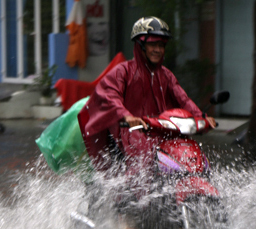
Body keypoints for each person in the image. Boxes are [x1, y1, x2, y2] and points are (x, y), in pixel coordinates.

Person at [78, 16, 216, 177]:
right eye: (152, 44)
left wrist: (202, 117)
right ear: (140, 45)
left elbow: (183, 99)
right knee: (140, 175)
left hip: (163, 132)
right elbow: (110, 96)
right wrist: (127, 117)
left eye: (161, 45)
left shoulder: (166, 75)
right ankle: (130, 198)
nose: (158, 49)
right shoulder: (122, 71)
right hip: (130, 136)